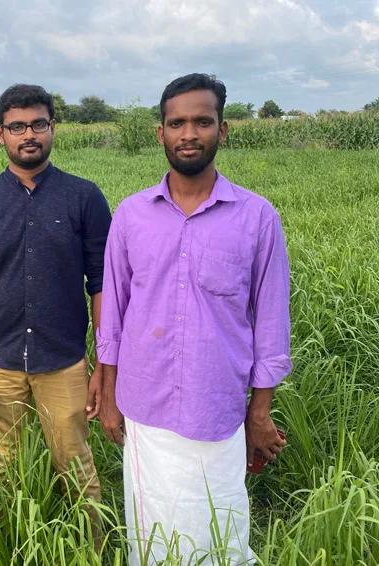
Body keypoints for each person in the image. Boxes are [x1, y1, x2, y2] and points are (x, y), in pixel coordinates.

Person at [96, 73, 291, 565]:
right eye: (177, 122)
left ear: (222, 130)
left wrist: (259, 413)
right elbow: (113, 316)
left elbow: (270, 325)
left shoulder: (257, 217)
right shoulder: (131, 215)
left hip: (217, 408)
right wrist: (110, 396)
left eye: (202, 121)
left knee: (217, 524)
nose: (189, 134)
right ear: (159, 132)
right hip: (145, 404)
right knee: (151, 524)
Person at [0, 84, 111, 521]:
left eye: (38, 123)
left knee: (76, 467)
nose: (28, 134)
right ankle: (17, 544)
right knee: (7, 471)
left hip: (63, 361)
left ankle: (90, 547)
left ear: (53, 128)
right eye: (16, 126)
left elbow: (103, 285)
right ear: (0, 135)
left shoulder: (84, 197)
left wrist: (104, 363)